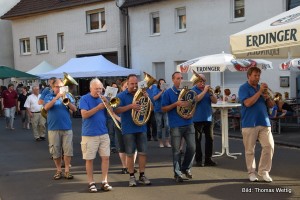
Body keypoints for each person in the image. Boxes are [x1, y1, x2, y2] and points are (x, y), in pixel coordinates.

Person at [238, 67, 275, 183]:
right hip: (249, 122)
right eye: (255, 75)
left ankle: (264, 171)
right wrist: (259, 93)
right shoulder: (243, 88)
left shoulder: (261, 89)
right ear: (248, 76)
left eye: (259, 76)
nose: (257, 78)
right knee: (250, 150)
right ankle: (251, 173)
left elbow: (271, 105)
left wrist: (267, 97)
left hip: (264, 121)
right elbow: (247, 103)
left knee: (269, 146)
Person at [115, 74, 151, 187]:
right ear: (128, 83)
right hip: (128, 128)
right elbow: (116, 110)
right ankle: (131, 176)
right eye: (132, 84)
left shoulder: (142, 95)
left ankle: (142, 175)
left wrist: (147, 98)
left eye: (136, 84)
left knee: (143, 153)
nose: (134, 86)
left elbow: (152, 109)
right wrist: (131, 106)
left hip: (141, 127)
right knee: (129, 154)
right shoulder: (121, 95)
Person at [79, 78, 113, 192]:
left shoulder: (103, 98)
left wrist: (108, 104)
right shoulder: (84, 99)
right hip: (89, 134)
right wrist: (98, 107)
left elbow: (111, 113)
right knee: (89, 159)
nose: (99, 91)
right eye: (96, 89)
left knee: (106, 158)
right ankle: (91, 182)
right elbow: (84, 115)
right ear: (90, 88)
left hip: (103, 132)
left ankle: (104, 181)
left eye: (100, 88)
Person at [161, 72, 196, 183]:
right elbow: (164, 109)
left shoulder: (188, 92)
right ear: (173, 80)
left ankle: (185, 168)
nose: (180, 80)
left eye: (181, 78)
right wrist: (175, 104)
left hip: (189, 122)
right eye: (178, 78)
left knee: (192, 148)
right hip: (175, 124)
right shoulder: (167, 93)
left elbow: (193, 103)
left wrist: (192, 113)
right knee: (176, 151)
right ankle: (177, 173)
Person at [44, 78, 77, 180]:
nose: (59, 88)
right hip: (53, 128)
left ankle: (67, 170)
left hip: (66, 127)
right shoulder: (49, 96)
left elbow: (74, 109)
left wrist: (66, 100)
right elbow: (46, 108)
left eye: (61, 86)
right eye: (57, 86)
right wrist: (56, 98)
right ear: (53, 87)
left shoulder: (68, 96)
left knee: (68, 150)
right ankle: (58, 170)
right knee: (55, 151)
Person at [192, 74, 218, 167]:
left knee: (210, 139)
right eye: (200, 81)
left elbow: (215, 101)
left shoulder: (208, 91)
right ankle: (198, 160)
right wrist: (205, 91)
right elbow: (197, 99)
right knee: (197, 140)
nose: (202, 83)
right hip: (197, 118)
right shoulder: (193, 90)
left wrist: (211, 93)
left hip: (208, 118)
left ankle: (208, 159)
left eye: (203, 81)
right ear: (196, 81)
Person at [152, 78, 171, 148]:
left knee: (167, 126)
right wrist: (161, 92)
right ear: (159, 84)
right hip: (158, 110)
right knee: (159, 126)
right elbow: (154, 98)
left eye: (163, 83)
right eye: (161, 83)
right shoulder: (156, 90)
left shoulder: (167, 91)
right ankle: (160, 142)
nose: (162, 85)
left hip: (166, 110)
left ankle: (167, 141)